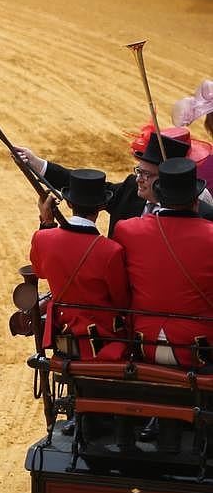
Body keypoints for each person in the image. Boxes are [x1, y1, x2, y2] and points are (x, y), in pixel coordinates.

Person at [112, 157, 213, 387]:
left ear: (159, 197)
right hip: (200, 350)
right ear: (196, 200)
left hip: (142, 344)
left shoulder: (127, 230)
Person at [15, 128, 203, 235]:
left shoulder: (203, 213)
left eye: (147, 175)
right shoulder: (130, 188)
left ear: (166, 181)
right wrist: (37, 164)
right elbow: (85, 186)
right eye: (138, 171)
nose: (139, 179)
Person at [30, 168, 131, 362]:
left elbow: (39, 271)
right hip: (104, 344)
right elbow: (121, 302)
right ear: (102, 206)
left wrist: (47, 222)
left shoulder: (43, 237)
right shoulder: (111, 250)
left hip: (63, 338)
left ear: (68, 203)